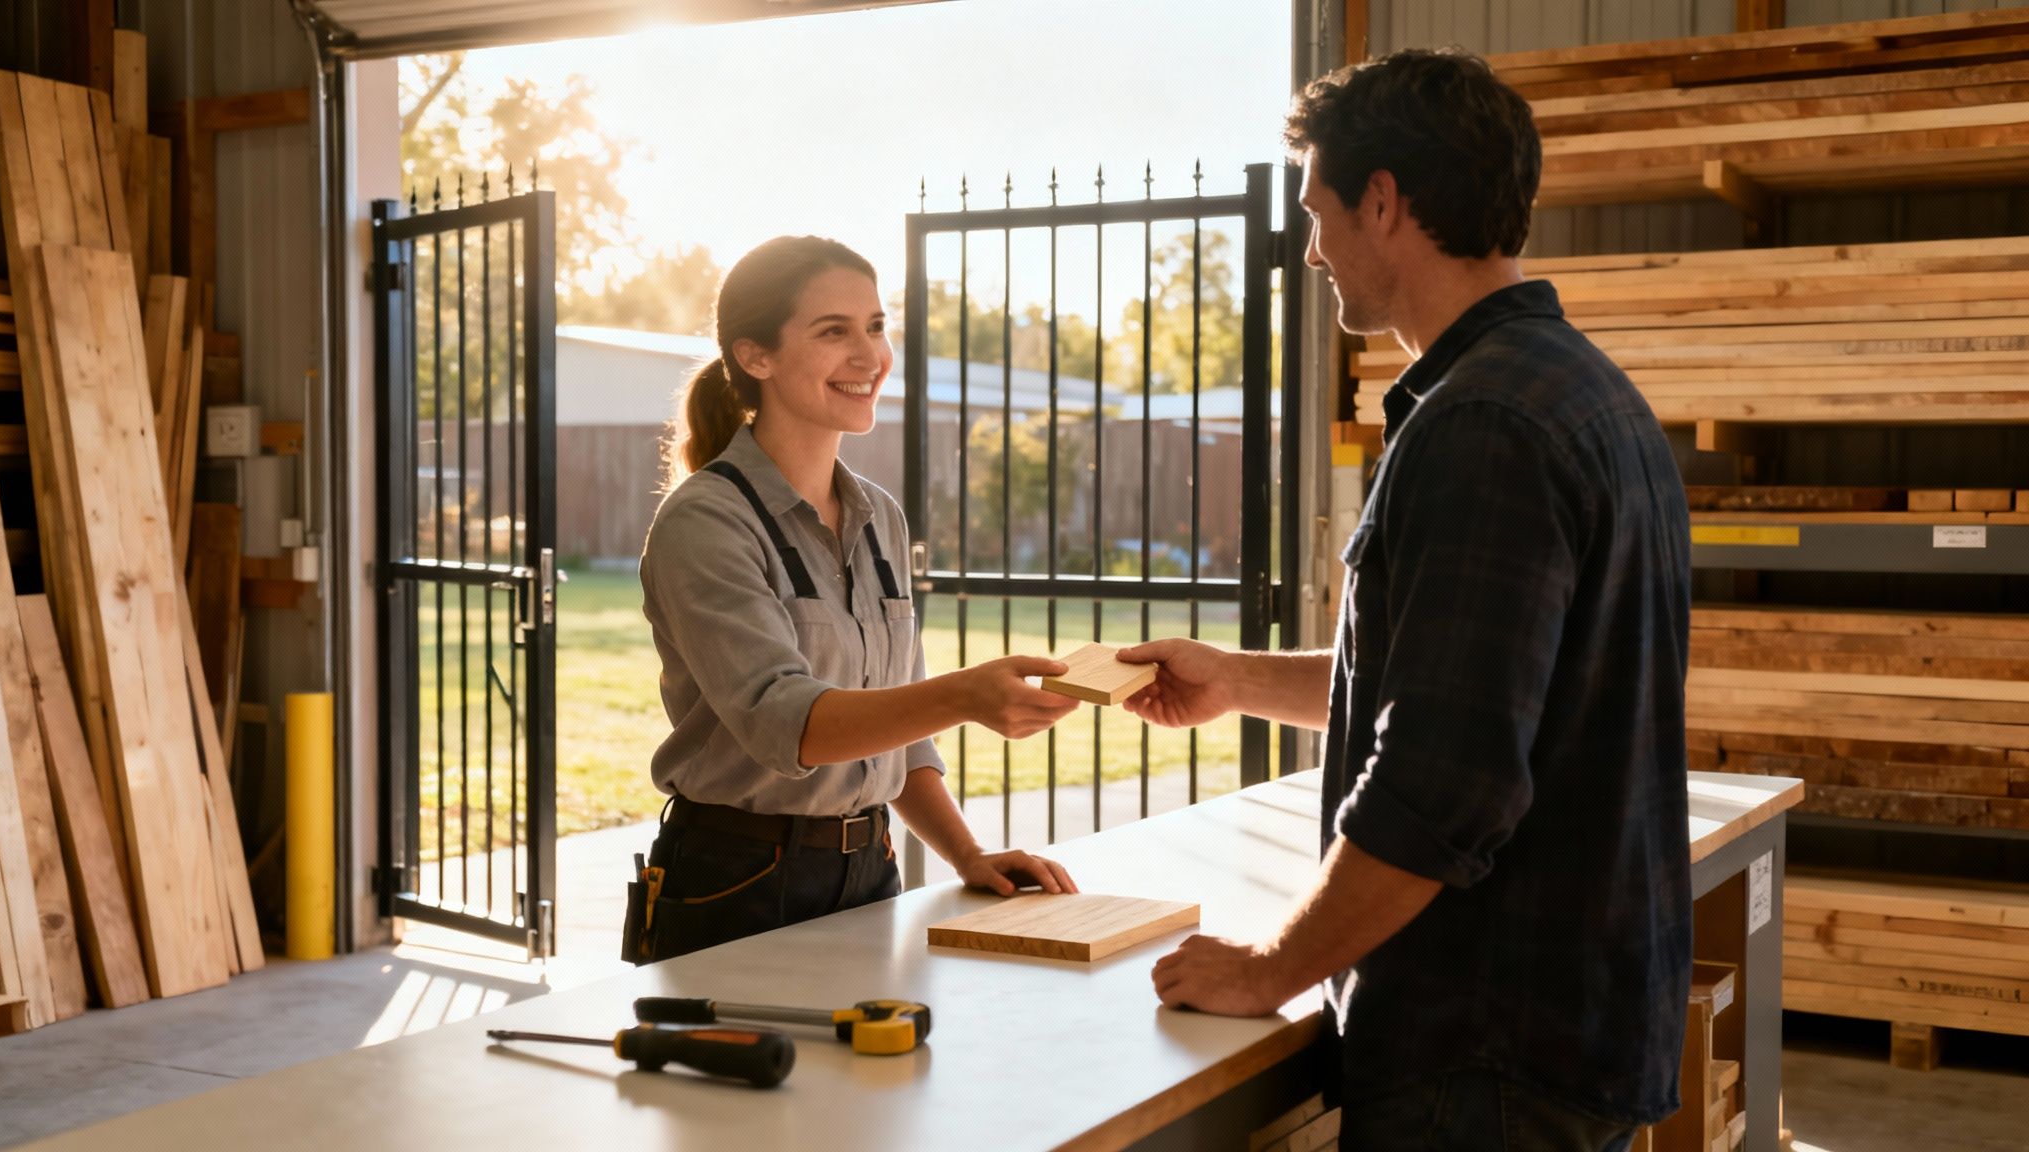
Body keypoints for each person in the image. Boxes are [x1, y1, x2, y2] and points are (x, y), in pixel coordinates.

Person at [1117, 49, 1693, 1151]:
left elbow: (1448, 776)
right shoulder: (1581, 393)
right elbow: (1449, 688)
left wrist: (1271, 969)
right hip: (1549, 1030)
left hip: (1483, 1048)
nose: (1310, 248)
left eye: (1317, 211)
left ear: (1382, 202)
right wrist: (1233, 678)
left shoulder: (1481, 426)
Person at [626, 235, 1080, 964]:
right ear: (756, 356)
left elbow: (897, 720)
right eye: (833, 331)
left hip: (872, 870)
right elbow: (790, 725)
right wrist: (964, 694)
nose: (870, 356)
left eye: (875, 326)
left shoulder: (879, 516)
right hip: (736, 882)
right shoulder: (705, 522)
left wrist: (968, 856)